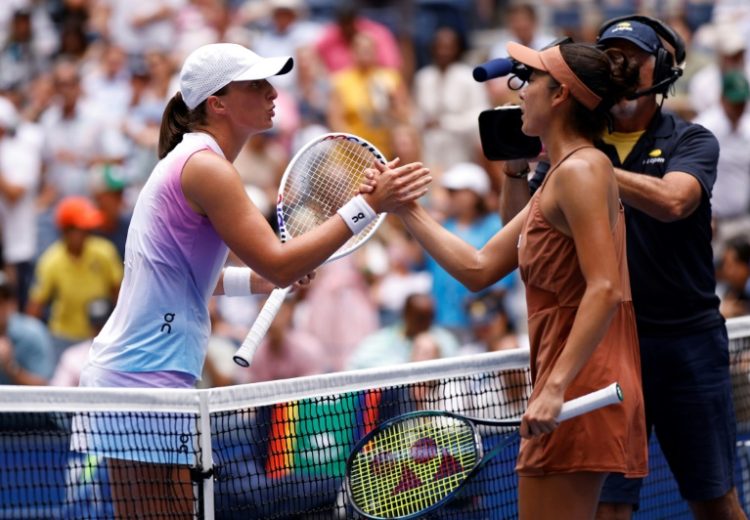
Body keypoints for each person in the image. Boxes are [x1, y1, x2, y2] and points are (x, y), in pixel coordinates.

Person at [75, 42, 430, 518]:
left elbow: (196, 277)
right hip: (143, 375)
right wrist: (369, 205)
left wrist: (260, 283)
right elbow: (281, 262)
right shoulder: (206, 168)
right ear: (216, 103)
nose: (271, 92)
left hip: (138, 371)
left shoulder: (197, 161)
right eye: (255, 84)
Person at [368, 39, 647, 519]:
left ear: (559, 95)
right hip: (573, 381)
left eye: (529, 79)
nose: (516, 90)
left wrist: (557, 385)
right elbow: (479, 267)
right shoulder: (561, 173)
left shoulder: (581, 170)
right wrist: (405, 208)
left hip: (579, 385)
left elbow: (604, 287)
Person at [498, 16, 747, 520]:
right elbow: (520, 237)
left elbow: (675, 201)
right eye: (612, 53)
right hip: (609, 346)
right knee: (609, 511)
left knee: (714, 501)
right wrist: (518, 169)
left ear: (663, 67)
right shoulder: (572, 150)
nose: (623, 63)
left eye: (635, 55)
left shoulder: (691, 140)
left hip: (686, 342)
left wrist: (580, 164)